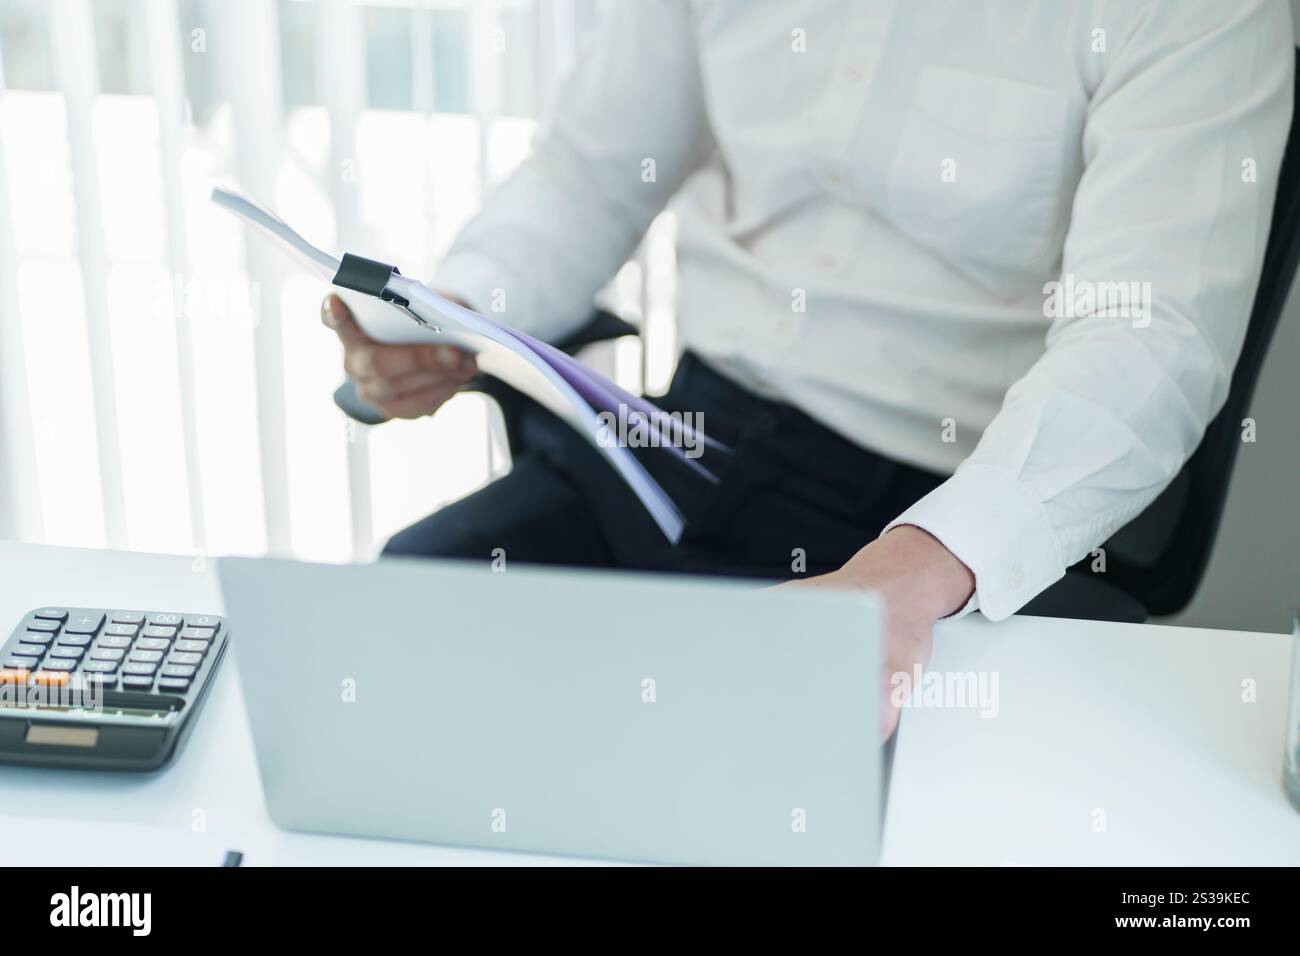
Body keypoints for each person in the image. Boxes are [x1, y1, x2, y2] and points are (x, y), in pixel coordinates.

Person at [321, 0, 1294, 735]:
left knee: (760, 774)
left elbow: (1148, 339)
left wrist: (911, 572)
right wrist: (447, 316)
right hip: (686, 443)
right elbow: (591, 171)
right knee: (406, 639)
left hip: (940, 507)